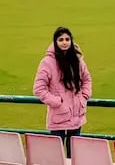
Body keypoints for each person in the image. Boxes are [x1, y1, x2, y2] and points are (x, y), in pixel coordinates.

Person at [33, 27, 92, 157]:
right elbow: (39, 88)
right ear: (55, 42)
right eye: (61, 40)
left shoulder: (77, 60)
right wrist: (57, 102)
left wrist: (84, 96)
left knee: (75, 156)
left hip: (77, 116)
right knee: (56, 156)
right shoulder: (47, 63)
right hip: (58, 117)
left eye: (67, 39)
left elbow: (87, 79)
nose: (64, 42)